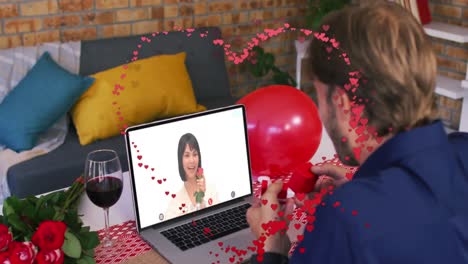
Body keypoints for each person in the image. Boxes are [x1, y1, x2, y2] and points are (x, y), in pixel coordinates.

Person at [246, 1, 468, 263]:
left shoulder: (345, 219)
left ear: (342, 102)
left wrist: (271, 248)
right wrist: (363, 188)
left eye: (320, 98)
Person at [165, 133, 219, 220]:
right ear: (180, 160)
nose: (192, 160)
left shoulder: (211, 190)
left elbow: (216, 221)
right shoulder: (175, 204)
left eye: (195, 154)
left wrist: (201, 196)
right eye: (186, 155)